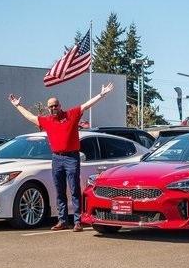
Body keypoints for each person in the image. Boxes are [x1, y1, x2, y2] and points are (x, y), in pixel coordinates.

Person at [8, 82, 114, 231]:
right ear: (48, 108)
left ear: (60, 105)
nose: (53, 108)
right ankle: (62, 220)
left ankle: (78, 221)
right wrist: (18, 105)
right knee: (59, 190)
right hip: (56, 158)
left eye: (55, 105)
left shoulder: (71, 115)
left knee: (74, 189)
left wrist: (101, 94)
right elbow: (30, 117)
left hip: (71, 158)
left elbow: (86, 105)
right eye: (50, 106)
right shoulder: (47, 121)